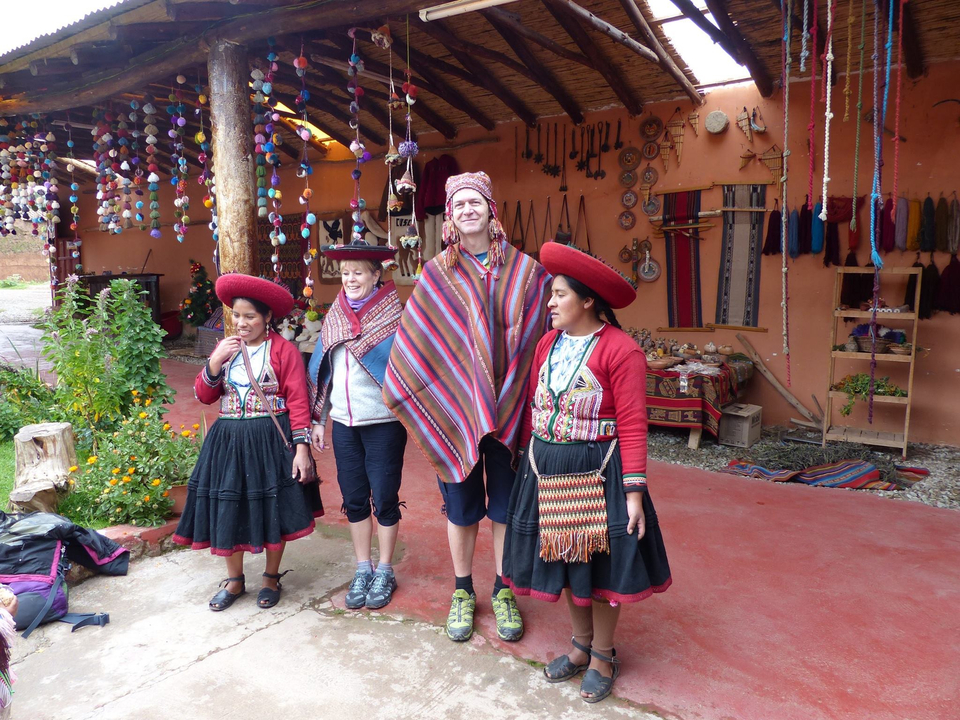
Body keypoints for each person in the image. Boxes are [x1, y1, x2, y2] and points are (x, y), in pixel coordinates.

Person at [383, 171, 551, 643]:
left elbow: (542, 334)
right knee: (460, 507)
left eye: (475, 202)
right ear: (450, 218)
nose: (467, 210)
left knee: (503, 507)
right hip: (455, 410)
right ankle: (462, 590)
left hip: (508, 407)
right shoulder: (437, 272)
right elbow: (419, 339)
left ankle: (503, 589)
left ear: (491, 209)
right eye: (459, 205)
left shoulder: (525, 271)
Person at [502, 242, 672, 704]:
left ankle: (602, 654)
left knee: (599, 565)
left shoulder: (621, 351)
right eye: (552, 294)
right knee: (564, 558)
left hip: (598, 472)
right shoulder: (546, 344)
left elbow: (634, 424)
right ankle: (579, 648)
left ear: (588, 300)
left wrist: (633, 492)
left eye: (559, 294)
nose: (551, 303)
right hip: (546, 467)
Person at [173, 274, 324, 611]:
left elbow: (298, 402)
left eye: (250, 317)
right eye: (236, 316)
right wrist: (213, 362)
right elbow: (204, 396)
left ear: (268, 317)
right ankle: (235, 580)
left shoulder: (284, 351)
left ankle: (270, 577)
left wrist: (302, 450)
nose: (241, 323)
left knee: (272, 506)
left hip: (269, 441)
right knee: (231, 506)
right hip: (228, 441)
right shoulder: (225, 350)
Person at [308, 243, 406, 610]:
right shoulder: (335, 316)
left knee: (383, 496)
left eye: (359, 272)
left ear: (376, 275)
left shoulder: (393, 316)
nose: (350, 279)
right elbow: (325, 371)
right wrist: (319, 419)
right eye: (345, 272)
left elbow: (406, 369)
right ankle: (362, 567)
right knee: (353, 498)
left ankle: (385, 568)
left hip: (383, 423)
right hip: (343, 423)